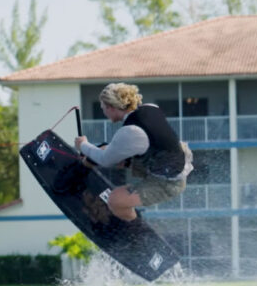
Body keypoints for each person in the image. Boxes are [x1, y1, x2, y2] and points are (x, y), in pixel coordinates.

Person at [74, 83, 193, 222]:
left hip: (168, 182)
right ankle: (79, 172)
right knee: (104, 149)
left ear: (111, 107)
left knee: (115, 200)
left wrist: (82, 145)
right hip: (161, 162)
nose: (104, 113)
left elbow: (105, 160)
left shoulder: (131, 131)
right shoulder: (150, 108)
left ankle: (135, 233)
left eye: (103, 108)